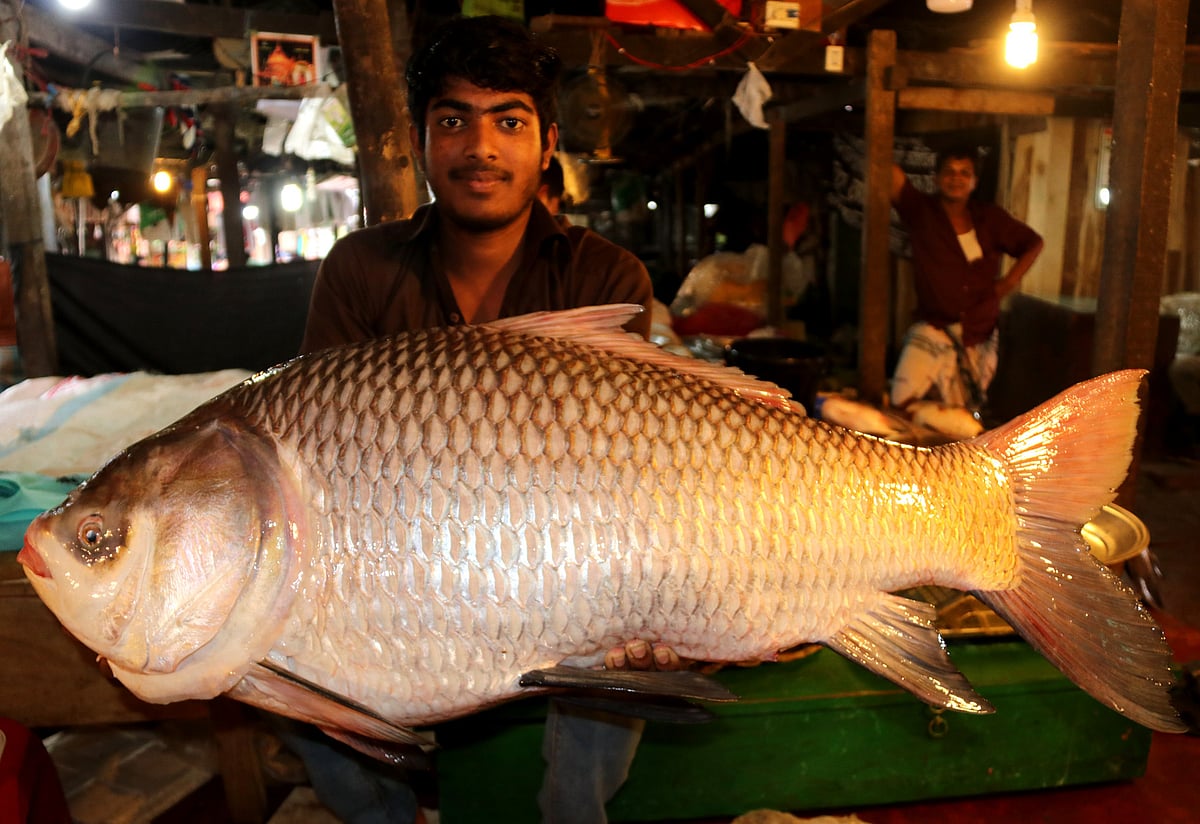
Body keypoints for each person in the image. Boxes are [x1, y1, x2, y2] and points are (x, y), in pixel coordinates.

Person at [294, 14, 664, 824]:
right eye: (453, 120)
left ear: (547, 140)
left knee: (624, 653)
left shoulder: (605, 274)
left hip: (573, 564)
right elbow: (313, 460)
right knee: (286, 668)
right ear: (425, 140)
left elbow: (639, 477)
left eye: (509, 121)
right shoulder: (361, 271)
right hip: (398, 573)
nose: (480, 147)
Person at [888, 147, 1043, 411]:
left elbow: (1033, 243)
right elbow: (891, 177)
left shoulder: (989, 218)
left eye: (964, 173)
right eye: (949, 172)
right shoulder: (922, 212)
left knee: (963, 411)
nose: (956, 178)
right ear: (936, 179)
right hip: (935, 327)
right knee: (901, 399)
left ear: (974, 182)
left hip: (977, 330)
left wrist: (1007, 283)